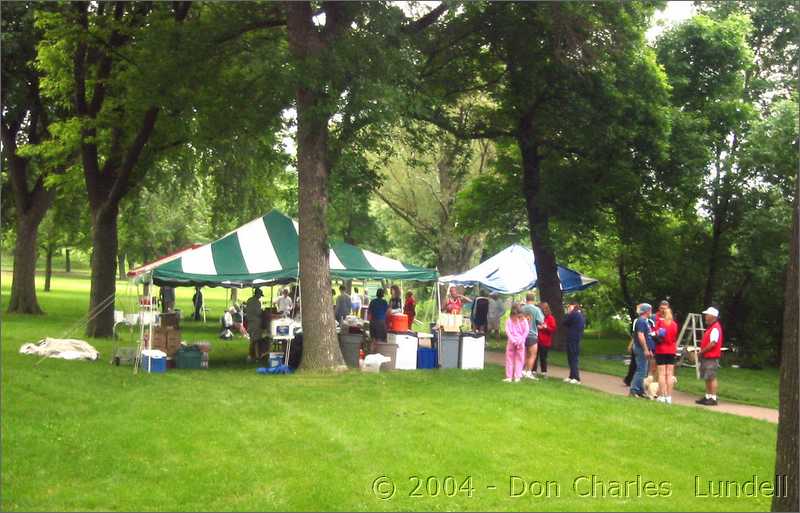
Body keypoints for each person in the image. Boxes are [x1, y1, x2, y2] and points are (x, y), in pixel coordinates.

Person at [695, 306, 724, 406]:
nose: (705, 317)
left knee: (711, 377)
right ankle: (708, 396)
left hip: (711, 356)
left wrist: (701, 352)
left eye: (707, 315)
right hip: (707, 356)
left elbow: (713, 343)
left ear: (713, 316)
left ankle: (713, 397)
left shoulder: (715, 328)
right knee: (707, 377)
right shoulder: (712, 327)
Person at [654, 307, 678, 404]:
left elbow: (658, 335)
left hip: (661, 350)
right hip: (671, 349)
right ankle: (669, 396)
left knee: (662, 374)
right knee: (670, 374)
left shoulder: (660, 323)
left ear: (662, 314)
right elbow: (673, 337)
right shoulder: (674, 324)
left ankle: (662, 395)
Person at [630, 303, 654, 398]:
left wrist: (650, 349)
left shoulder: (646, 321)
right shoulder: (641, 321)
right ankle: (634, 389)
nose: (651, 312)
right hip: (640, 348)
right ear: (646, 311)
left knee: (644, 370)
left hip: (644, 348)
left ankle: (640, 390)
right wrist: (645, 349)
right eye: (650, 310)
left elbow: (648, 337)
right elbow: (641, 336)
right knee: (641, 370)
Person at [521, 293, 545, 380]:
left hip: (522, 334)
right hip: (532, 334)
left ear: (526, 299)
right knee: (532, 355)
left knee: (524, 354)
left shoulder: (522, 308)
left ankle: (522, 370)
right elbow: (541, 321)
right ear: (533, 299)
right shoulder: (536, 309)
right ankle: (529, 372)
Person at [503, 303, 529, 383]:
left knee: (512, 359)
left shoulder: (510, 320)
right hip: (517, 341)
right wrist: (519, 340)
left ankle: (511, 376)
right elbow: (526, 331)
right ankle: (516, 376)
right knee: (518, 359)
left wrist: (516, 340)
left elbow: (508, 331)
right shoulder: (523, 320)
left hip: (515, 341)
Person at [562, 300, 585, 384]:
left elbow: (564, 322)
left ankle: (576, 377)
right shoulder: (580, 314)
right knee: (572, 357)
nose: (568, 308)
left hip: (573, 339)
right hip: (576, 338)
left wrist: (568, 313)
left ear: (573, 306)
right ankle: (572, 376)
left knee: (573, 358)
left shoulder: (574, 314)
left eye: (569, 306)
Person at [534, 302, 556, 378]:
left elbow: (553, 329)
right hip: (537, 340)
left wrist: (545, 327)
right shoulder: (539, 317)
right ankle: (533, 370)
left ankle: (544, 372)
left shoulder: (550, 318)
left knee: (543, 357)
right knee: (535, 356)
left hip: (545, 341)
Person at [245, 288, 265, 361]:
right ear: (258, 294)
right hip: (255, 323)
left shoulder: (249, 300)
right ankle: (250, 356)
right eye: (260, 295)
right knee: (254, 340)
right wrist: (263, 312)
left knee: (254, 340)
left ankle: (256, 355)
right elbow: (258, 313)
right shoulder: (257, 302)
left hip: (250, 322)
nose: (260, 297)